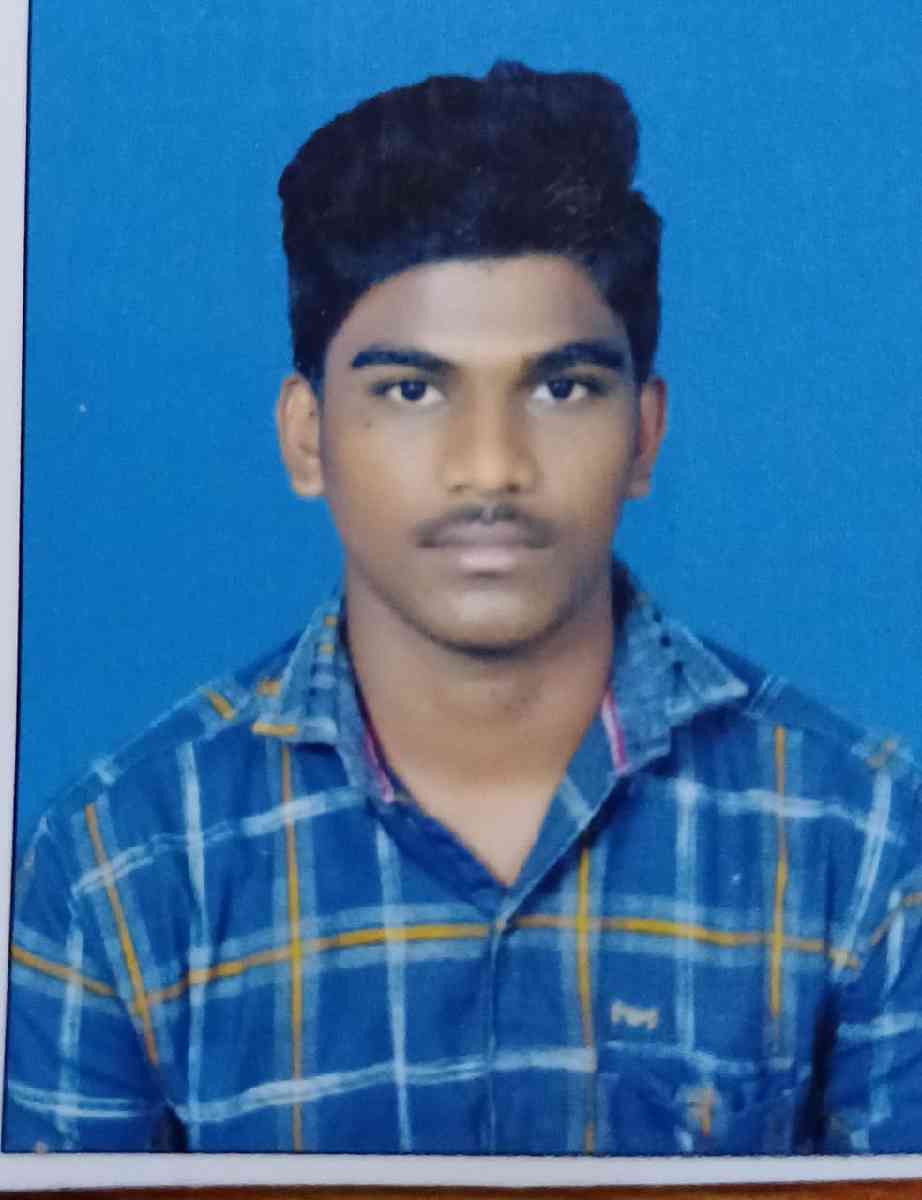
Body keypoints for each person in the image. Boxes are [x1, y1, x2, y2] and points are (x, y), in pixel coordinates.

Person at [5, 61, 921, 1157]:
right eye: (411, 389)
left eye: (562, 387)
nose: (490, 468)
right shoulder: (120, 866)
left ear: (643, 435)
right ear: (306, 437)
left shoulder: (864, 835)